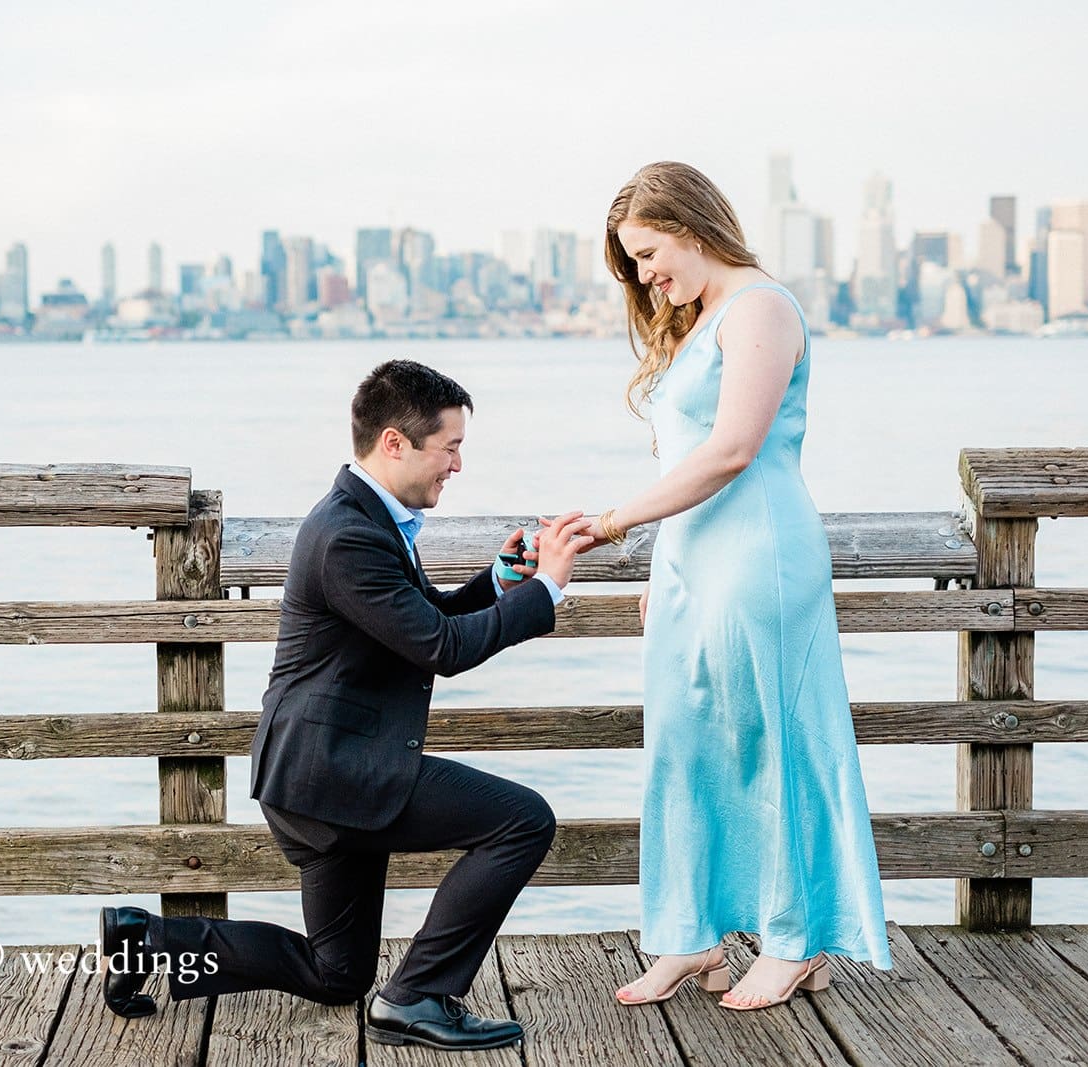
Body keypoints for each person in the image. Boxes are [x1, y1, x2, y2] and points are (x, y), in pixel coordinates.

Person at [99, 359, 593, 1052]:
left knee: (336, 973)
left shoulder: (366, 519)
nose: (457, 464)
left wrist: (498, 580)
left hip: (323, 775)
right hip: (335, 773)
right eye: (449, 446)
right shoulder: (349, 534)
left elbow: (418, 627)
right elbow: (443, 647)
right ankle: (418, 994)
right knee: (522, 820)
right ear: (395, 443)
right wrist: (546, 591)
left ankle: (144, 942)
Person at [573, 161, 893, 1011]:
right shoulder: (697, 318)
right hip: (691, 565)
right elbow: (683, 458)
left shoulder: (762, 308)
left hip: (759, 556)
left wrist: (614, 524)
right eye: (633, 263)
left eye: (647, 253)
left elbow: (732, 451)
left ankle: (796, 941)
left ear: (691, 225)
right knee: (683, 745)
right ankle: (691, 936)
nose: (645, 276)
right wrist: (662, 559)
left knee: (776, 741)